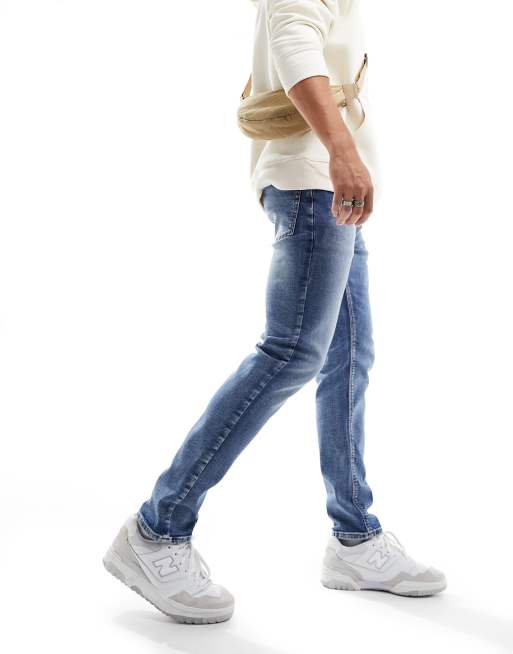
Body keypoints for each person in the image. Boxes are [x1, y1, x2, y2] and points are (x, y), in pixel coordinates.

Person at [103, 0, 446, 624]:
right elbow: (293, 46)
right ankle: (158, 527)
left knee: (348, 355)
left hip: (324, 186)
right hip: (314, 185)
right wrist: (341, 151)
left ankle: (354, 538)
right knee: (290, 352)